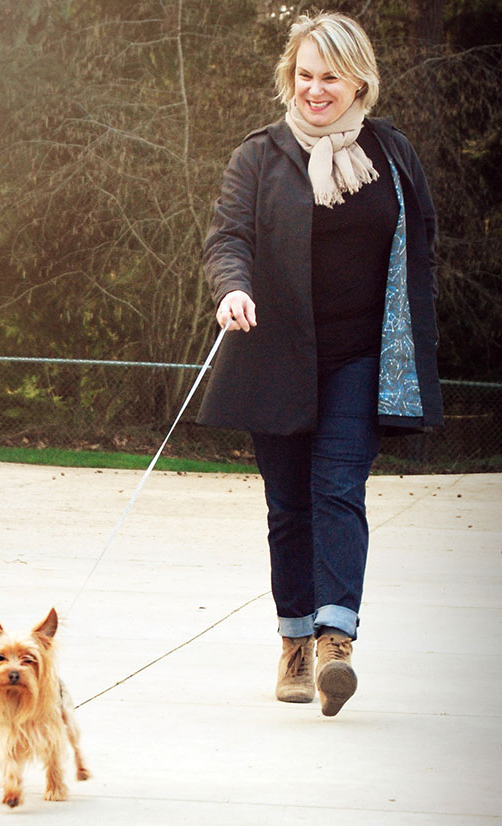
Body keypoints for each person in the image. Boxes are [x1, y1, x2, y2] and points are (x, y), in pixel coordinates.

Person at [196, 11, 443, 717]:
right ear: (290, 78)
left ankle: (337, 638)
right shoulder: (260, 155)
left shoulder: (392, 156)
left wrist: (414, 343)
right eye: (303, 75)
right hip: (274, 353)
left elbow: (419, 255)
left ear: (358, 78)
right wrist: (233, 289)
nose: (314, 89)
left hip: (360, 357)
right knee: (287, 506)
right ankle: (294, 642)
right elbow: (228, 237)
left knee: (338, 486)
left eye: (328, 76)